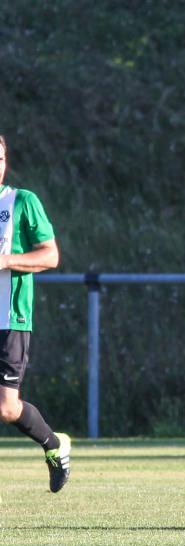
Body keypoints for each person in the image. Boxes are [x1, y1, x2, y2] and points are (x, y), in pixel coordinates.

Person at [0, 134, 71, 493]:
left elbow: (51, 256)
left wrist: (7, 260)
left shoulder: (22, 202)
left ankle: (55, 446)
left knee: (6, 409)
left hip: (10, 319)